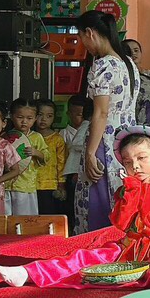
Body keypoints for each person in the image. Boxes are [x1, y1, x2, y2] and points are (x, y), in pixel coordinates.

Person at [0, 127, 150, 288]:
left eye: (142, 158)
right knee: (83, 257)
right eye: (128, 162)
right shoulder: (127, 189)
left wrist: (147, 190)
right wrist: (131, 192)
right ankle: (29, 273)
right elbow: (121, 223)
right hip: (128, 248)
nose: (135, 166)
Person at [76, 10, 138, 233]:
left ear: (90, 33)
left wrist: (90, 153)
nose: (83, 44)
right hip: (127, 141)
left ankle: (98, 248)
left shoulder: (102, 66)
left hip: (105, 142)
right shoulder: (128, 63)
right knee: (120, 200)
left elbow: (101, 113)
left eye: (81, 37)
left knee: (98, 204)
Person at [4, 97, 48, 217]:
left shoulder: (36, 137)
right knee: (6, 217)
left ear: (35, 118)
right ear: (12, 116)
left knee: (24, 218)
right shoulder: (5, 136)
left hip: (25, 185)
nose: (24, 121)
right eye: (20, 117)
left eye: (29, 118)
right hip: (5, 184)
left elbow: (46, 156)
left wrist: (36, 152)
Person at [33, 100, 68, 216]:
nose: (44, 119)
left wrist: (61, 184)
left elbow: (61, 163)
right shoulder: (28, 137)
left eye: (49, 116)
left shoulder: (57, 139)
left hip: (50, 185)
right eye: (40, 115)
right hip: (29, 184)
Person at [60, 94, 90, 222]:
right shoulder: (64, 133)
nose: (81, 118)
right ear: (69, 114)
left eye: (83, 115)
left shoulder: (87, 127)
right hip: (71, 173)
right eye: (78, 115)